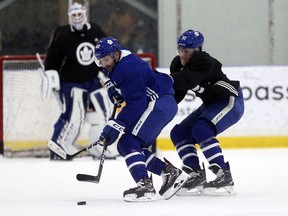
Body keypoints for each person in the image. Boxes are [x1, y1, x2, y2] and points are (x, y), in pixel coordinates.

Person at [94, 36, 189, 202]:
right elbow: (109, 72)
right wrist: (111, 87)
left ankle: (145, 185)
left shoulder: (128, 68)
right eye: (100, 61)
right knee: (127, 145)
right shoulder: (119, 61)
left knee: (128, 142)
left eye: (106, 60)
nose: (104, 64)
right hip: (161, 103)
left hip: (158, 103)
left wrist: (116, 124)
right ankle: (169, 172)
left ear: (116, 55)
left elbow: (137, 104)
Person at [169, 29, 244, 195]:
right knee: (179, 132)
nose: (182, 55)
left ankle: (223, 174)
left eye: (186, 51)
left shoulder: (204, 61)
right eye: (180, 50)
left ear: (197, 51)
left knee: (201, 129)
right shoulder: (178, 64)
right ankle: (196, 173)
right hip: (211, 103)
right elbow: (176, 94)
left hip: (230, 100)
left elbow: (184, 80)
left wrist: (161, 80)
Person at [43, 2, 119, 160]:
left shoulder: (96, 30)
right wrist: (51, 73)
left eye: (80, 15)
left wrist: (107, 73)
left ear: (85, 16)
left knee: (103, 113)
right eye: (74, 16)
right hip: (71, 82)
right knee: (74, 115)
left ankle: (100, 146)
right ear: (70, 17)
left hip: (93, 80)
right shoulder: (62, 34)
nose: (77, 18)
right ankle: (60, 146)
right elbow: (52, 58)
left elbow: (106, 52)